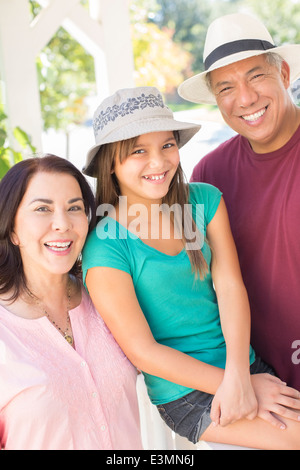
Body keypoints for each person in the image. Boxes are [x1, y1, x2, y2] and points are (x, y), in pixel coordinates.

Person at [81, 86, 300, 450]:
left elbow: (230, 287)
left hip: (244, 366)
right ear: (111, 164)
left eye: (167, 145)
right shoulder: (105, 246)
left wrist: (241, 375)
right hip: (186, 393)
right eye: (138, 151)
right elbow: (144, 352)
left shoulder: (203, 200)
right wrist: (232, 383)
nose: (159, 162)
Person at [178, 13, 300, 392]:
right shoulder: (209, 175)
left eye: (256, 76)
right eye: (226, 88)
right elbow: (196, 279)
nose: (245, 99)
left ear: (283, 74)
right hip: (262, 387)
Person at [0, 154, 142, 450]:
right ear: (11, 228)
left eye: (74, 208)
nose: (62, 224)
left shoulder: (110, 297)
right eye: (42, 209)